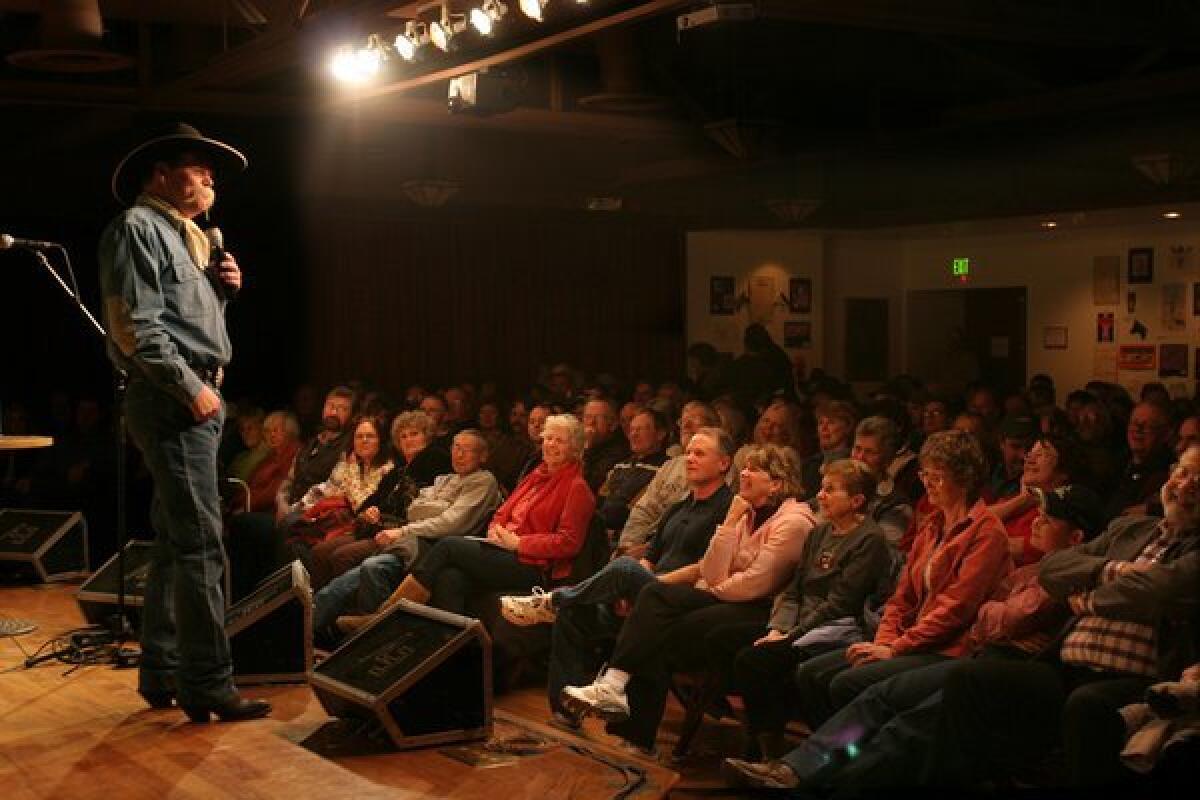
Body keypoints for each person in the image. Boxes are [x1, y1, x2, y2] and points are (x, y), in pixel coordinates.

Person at [722, 483, 1104, 791]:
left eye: (1048, 518)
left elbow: (999, 616)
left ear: (1076, 537)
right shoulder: (1029, 569)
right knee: (876, 696)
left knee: (905, 721)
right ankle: (799, 769)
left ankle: (833, 781)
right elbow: (975, 611)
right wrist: (891, 639)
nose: (1035, 522)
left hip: (992, 667)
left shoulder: (1064, 576)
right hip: (976, 657)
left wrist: (990, 614)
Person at [98, 122, 267, 722]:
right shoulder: (138, 228)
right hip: (173, 399)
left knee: (176, 542)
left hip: (194, 399)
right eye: (198, 168)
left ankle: (163, 671)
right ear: (161, 174)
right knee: (200, 545)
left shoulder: (192, 238)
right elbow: (135, 327)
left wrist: (226, 292)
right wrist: (190, 388)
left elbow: (188, 320)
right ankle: (207, 683)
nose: (209, 177)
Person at [926, 444, 1200, 789]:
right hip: (1065, 666)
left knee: (1087, 704)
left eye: (1199, 482)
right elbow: (1055, 567)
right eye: (1184, 472)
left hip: (1135, 676)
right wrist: (1115, 569)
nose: (1185, 485)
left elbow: (1161, 588)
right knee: (968, 677)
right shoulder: (1129, 529)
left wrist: (1090, 599)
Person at [560, 443, 815, 755]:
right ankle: (617, 693)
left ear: (775, 483)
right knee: (655, 597)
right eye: (744, 467)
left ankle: (628, 716)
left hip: (760, 610)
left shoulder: (795, 522)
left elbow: (758, 584)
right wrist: (731, 521)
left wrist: (712, 585)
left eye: (753, 469)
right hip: (724, 597)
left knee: (658, 624)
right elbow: (710, 566)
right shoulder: (743, 512)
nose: (743, 473)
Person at [499, 427, 736, 729]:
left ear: (724, 463)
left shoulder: (728, 510)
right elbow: (651, 554)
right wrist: (634, 587)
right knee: (575, 614)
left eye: (699, 453)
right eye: (688, 451)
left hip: (682, 603)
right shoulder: (678, 506)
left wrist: (649, 585)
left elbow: (705, 568)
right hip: (647, 593)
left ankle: (553, 600)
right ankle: (567, 710)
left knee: (625, 567)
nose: (689, 458)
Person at [789, 430, 1012, 729]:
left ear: (966, 478)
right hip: (907, 639)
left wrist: (895, 649)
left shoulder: (986, 532)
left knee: (845, 682)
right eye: (925, 474)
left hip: (948, 649)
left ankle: (842, 762)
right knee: (810, 673)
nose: (927, 482)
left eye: (938, 476)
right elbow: (902, 596)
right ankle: (831, 761)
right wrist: (884, 642)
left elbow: (956, 609)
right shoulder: (933, 525)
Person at [356, 414, 595, 617]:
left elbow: (569, 543)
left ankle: (387, 614)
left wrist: (520, 543)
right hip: (502, 547)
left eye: (559, 441)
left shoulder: (577, 487)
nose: (551, 445)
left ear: (574, 447)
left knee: (449, 546)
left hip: (532, 565)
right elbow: (502, 512)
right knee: (450, 578)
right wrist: (495, 529)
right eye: (548, 438)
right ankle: (453, 656)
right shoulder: (536, 475)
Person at [319, 430, 501, 638]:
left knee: (368, 565)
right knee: (353, 574)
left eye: (466, 450)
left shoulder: (483, 481)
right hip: (412, 543)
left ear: (482, 456)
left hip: (434, 549)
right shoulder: (444, 479)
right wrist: (439, 509)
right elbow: (413, 509)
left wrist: (413, 523)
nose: (458, 455)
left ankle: (377, 634)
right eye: (455, 447)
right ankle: (324, 628)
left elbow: (451, 523)